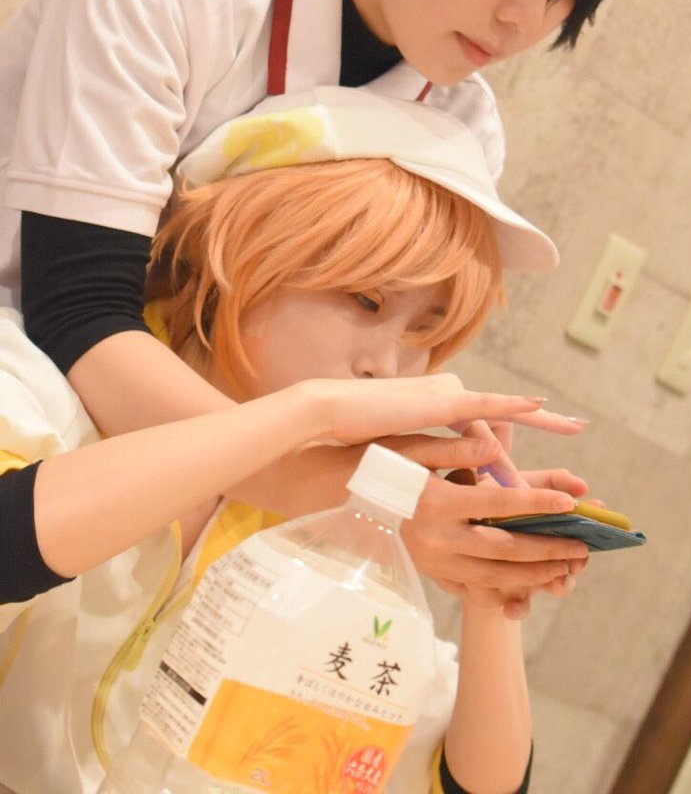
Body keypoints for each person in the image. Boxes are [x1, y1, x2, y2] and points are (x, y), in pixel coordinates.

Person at [0, 0, 659, 607]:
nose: (525, 18)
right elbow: (78, 313)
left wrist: (448, 489)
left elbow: (351, 379)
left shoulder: (462, 126)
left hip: (182, 504)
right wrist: (374, 501)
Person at [0, 88, 592, 794]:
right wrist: (308, 415)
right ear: (242, 245)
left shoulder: (336, 531)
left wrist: (491, 595)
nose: (385, 366)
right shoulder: (37, 391)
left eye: (425, 332)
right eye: (365, 300)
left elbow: (475, 785)